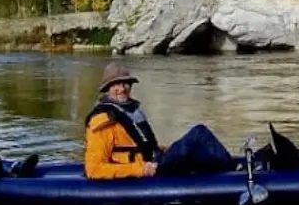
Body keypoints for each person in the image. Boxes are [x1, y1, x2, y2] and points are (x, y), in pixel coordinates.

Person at [84, 63, 235, 179]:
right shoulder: (102, 121)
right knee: (198, 133)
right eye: (116, 84)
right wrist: (141, 169)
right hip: (151, 168)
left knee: (196, 148)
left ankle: (233, 168)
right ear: (107, 89)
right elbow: (94, 169)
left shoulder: (131, 110)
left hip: (155, 159)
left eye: (126, 83)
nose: (122, 88)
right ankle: (234, 171)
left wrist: (162, 149)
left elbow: (140, 145)